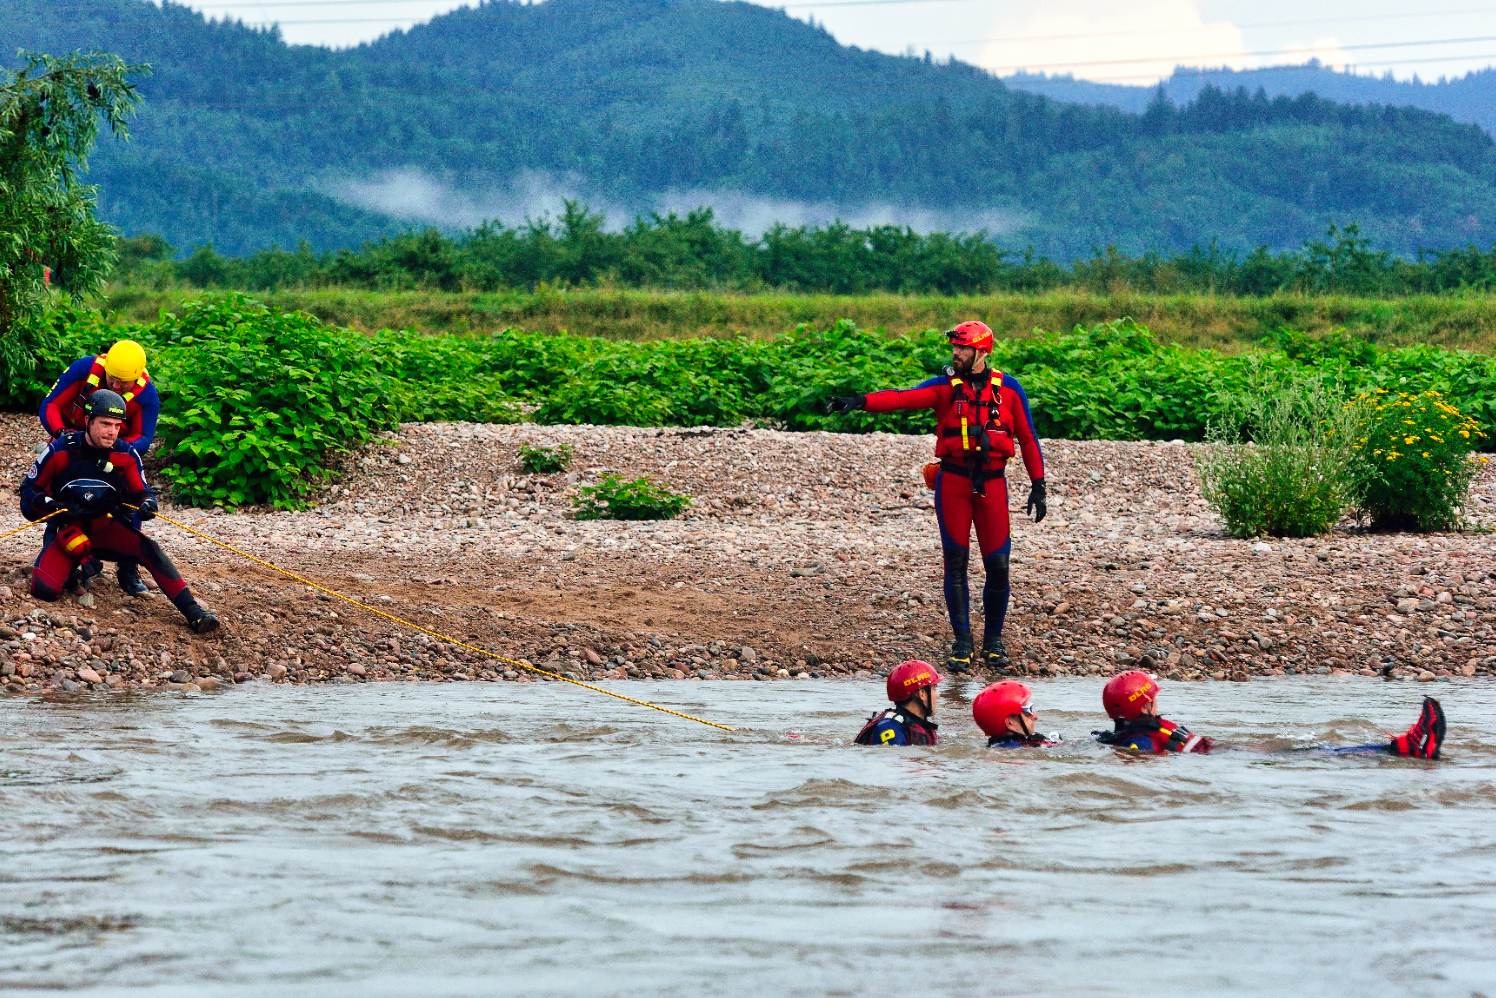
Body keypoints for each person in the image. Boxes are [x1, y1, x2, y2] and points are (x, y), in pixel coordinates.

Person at [826, 321, 1045, 672]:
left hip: (993, 486)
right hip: (953, 484)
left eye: (962, 348)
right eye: (955, 348)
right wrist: (857, 402)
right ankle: (962, 642)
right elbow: (900, 398)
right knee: (956, 562)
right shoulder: (945, 388)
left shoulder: (1011, 390)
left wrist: (1039, 484)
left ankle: (993, 643)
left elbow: (1028, 438)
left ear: (982, 352)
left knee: (999, 566)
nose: (955, 353)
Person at [20, 390, 219, 634]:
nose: (112, 431)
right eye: (105, 423)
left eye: (116, 425)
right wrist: (51, 505)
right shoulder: (60, 451)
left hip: (106, 529)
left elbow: (142, 492)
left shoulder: (125, 454)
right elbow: (28, 491)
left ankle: (195, 613)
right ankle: (80, 569)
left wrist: (148, 504)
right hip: (69, 533)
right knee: (44, 591)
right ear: (88, 421)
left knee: (150, 548)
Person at [1094, 670, 1446, 759]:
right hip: (1229, 760)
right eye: (1153, 697)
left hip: (1227, 753)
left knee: (1314, 750)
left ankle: (1405, 748)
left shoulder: (1141, 732)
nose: (1158, 701)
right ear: (1142, 706)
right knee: (1316, 755)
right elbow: (1140, 757)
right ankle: (1405, 748)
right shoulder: (1140, 742)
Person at [39, 340, 160, 597]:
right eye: (112, 378)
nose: (115, 385)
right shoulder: (83, 369)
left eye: (123, 382)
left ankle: (128, 569)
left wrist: (115, 450)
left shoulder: (147, 396)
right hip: (70, 443)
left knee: (131, 496)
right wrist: (63, 435)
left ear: (137, 377)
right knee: (54, 494)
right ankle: (55, 548)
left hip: (112, 453)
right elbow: (50, 405)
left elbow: (144, 438)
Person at [854, 660, 941, 745]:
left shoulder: (922, 726)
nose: (938, 695)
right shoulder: (889, 728)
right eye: (934, 689)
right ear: (922, 694)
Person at [972, 680, 1061, 748]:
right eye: (1028, 711)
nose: (1035, 716)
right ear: (1010, 723)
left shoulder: (999, 746)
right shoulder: (1021, 750)